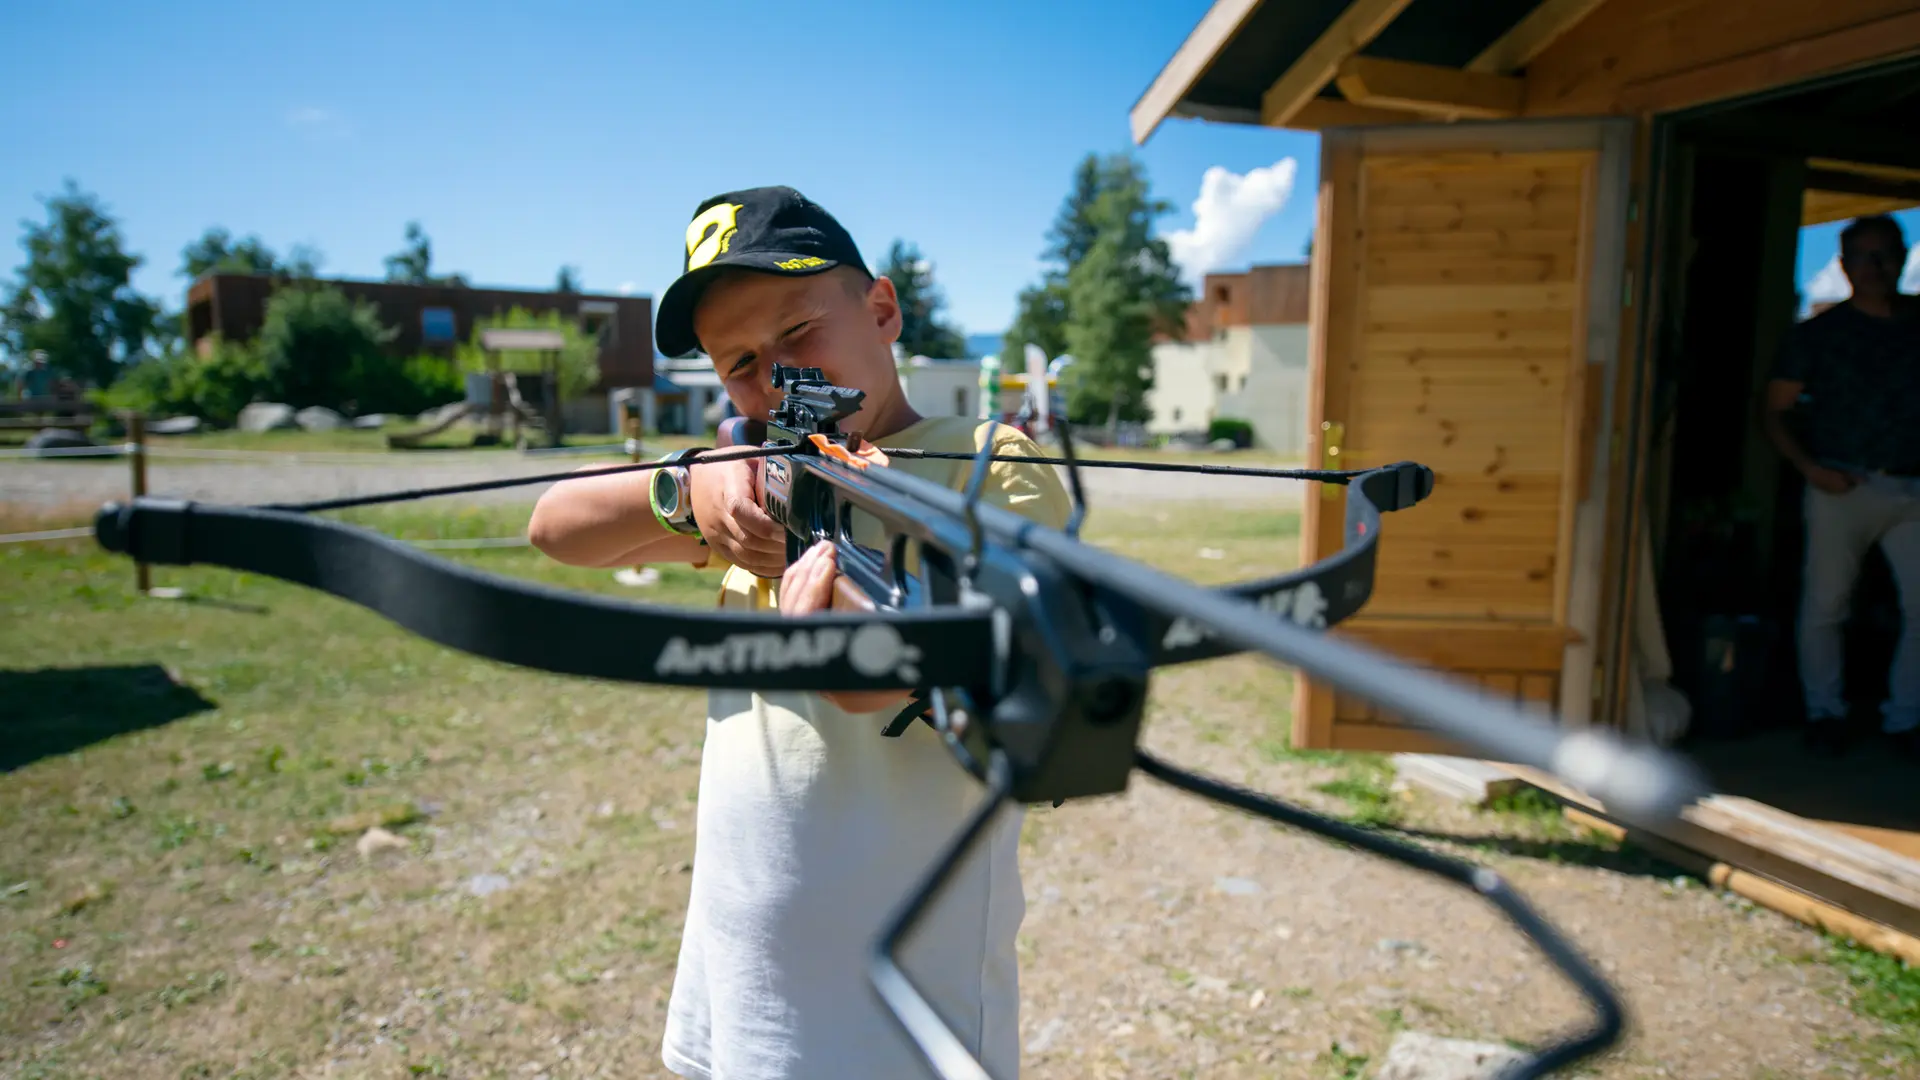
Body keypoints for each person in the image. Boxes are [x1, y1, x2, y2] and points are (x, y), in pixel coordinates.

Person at [527, 186, 1071, 1079]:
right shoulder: (757, 473)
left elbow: (993, 667)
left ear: (882, 309)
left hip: (906, 1004)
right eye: (739, 361)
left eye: (797, 334)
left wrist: (870, 644)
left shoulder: (983, 460)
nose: (777, 378)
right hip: (743, 977)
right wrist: (686, 487)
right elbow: (555, 525)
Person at [1761, 213, 1920, 758]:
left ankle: (1906, 720)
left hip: (1912, 488)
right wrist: (1811, 470)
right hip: (1840, 484)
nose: (1875, 268)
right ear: (1845, 265)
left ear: (1902, 258)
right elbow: (1776, 412)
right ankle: (1824, 712)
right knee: (1827, 605)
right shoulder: (1817, 336)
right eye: (1863, 257)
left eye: (1885, 255)